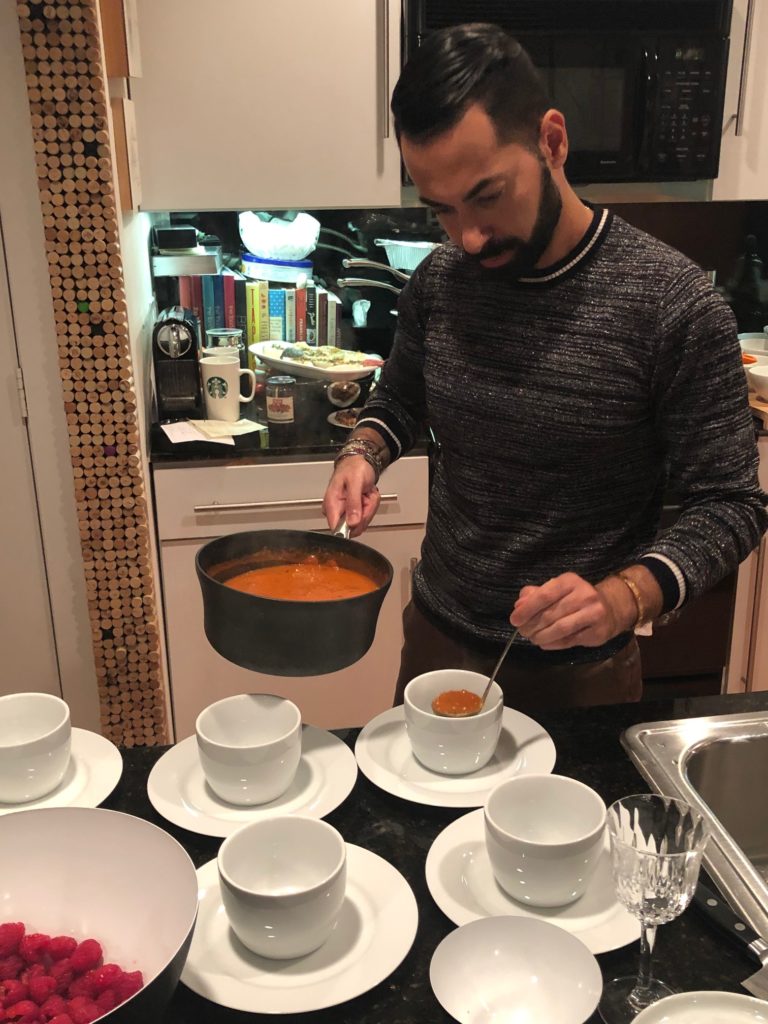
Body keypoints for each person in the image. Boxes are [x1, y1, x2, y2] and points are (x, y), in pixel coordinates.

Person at [323, 23, 768, 714]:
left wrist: (627, 596)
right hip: (436, 645)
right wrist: (363, 452)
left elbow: (732, 504)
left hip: (581, 675)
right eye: (443, 209)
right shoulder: (440, 283)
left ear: (552, 142)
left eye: (488, 195)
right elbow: (401, 399)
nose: (467, 236)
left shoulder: (672, 304)